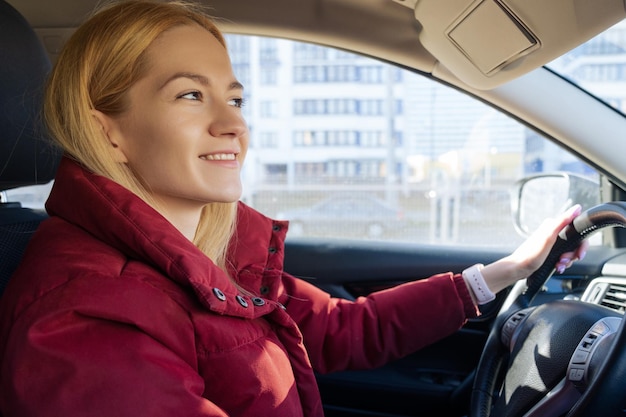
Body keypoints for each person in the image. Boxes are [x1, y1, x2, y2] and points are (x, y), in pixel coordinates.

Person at [0, 1, 588, 416]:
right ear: (108, 132)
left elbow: (339, 329)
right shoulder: (82, 317)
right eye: (189, 94)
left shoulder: (206, 253)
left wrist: (503, 273)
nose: (233, 123)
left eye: (234, 97)